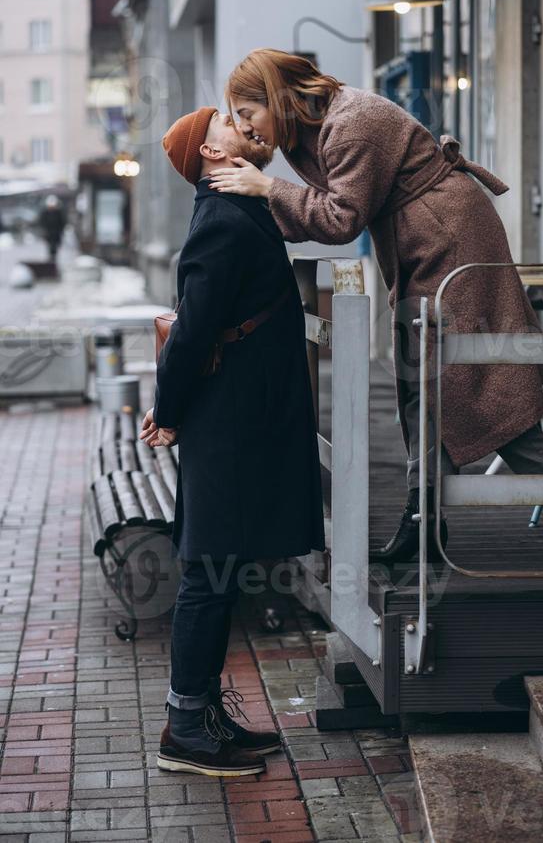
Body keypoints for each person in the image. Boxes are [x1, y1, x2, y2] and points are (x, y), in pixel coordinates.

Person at [206, 48, 543, 565]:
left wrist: (267, 188)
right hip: (424, 242)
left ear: (276, 100)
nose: (243, 125)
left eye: (246, 112)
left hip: (450, 239)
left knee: (459, 380)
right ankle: (428, 522)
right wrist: (261, 180)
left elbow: (341, 218)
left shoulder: (352, 124)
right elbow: (331, 209)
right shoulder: (311, 131)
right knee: (430, 382)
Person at [140, 106, 325, 777]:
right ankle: (185, 727)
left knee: (219, 569)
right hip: (226, 423)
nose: (242, 120)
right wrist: (169, 408)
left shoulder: (239, 208)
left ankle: (202, 715)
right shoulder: (219, 223)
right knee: (207, 573)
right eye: (225, 120)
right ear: (211, 154)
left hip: (238, 419)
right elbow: (193, 330)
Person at [38, 194, 66, 262]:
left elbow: (62, 223)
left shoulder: (58, 213)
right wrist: (44, 231)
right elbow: (42, 223)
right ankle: (51, 260)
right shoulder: (45, 213)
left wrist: (61, 231)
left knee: (55, 248)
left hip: (56, 234)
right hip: (49, 234)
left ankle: (53, 260)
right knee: (50, 248)